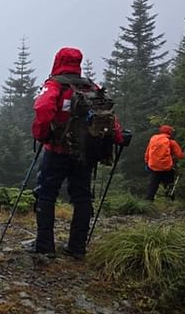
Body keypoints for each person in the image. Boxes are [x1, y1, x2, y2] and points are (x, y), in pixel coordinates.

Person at [31, 46, 130, 259]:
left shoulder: (55, 85)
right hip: (86, 153)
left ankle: (44, 246)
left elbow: (42, 108)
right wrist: (120, 138)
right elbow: (108, 115)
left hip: (57, 150)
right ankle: (77, 248)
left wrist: (42, 134)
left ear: (57, 61)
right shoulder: (91, 87)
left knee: (47, 194)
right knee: (82, 196)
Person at [144, 125, 185, 201]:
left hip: (154, 167)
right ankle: (170, 201)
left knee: (153, 185)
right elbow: (180, 155)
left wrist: (147, 163)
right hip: (166, 168)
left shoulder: (153, 139)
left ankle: (148, 202)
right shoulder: (171, 142)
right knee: (169, 184)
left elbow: (147, 152)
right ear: (169, 132)